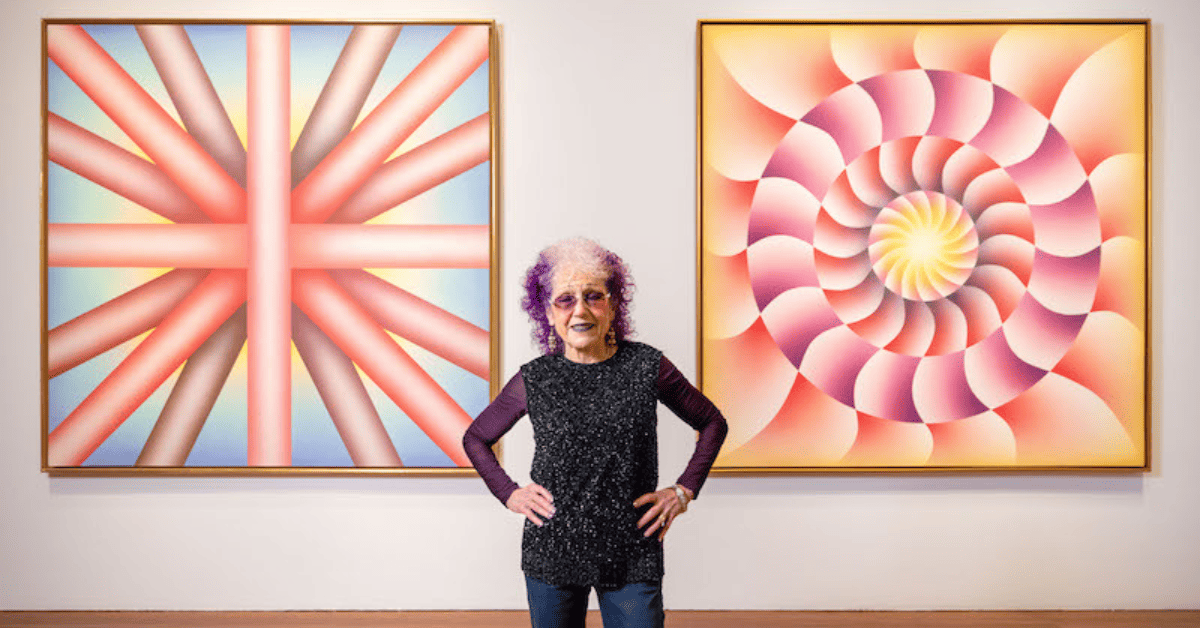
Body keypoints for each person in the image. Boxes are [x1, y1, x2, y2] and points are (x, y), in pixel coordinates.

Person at [463, 237, 728, 628]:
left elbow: (712, 423)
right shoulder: (535, 378)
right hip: (553, 549)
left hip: (631, 549)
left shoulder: (647, 366)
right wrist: (510, 493)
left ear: (614, 304)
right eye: (565, 299)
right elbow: (476, 438)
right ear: (548, 314)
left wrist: (682, 491)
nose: (580, 310)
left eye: (593, 296)